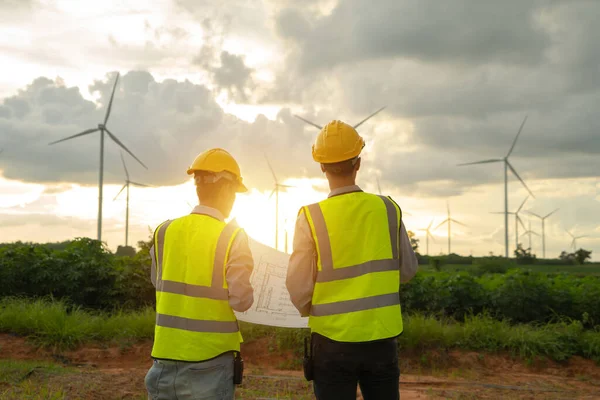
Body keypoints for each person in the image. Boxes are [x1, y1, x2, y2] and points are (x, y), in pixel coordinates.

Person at [286, 119, 418, 400]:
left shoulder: (310, 217)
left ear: (321, 166)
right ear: (358, 163)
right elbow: (407, 270)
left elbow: (298, 289)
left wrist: (314, 308)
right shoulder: (387, 209)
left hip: (331, 343)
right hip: (381, 339)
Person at [145, 148, 254, 400]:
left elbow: (157, 281)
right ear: (227, 189)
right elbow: (241, 301)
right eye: (235, 193)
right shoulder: (232, 237)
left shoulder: (164, 231)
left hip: (163, 360)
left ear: (198, 187)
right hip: (211, 363)